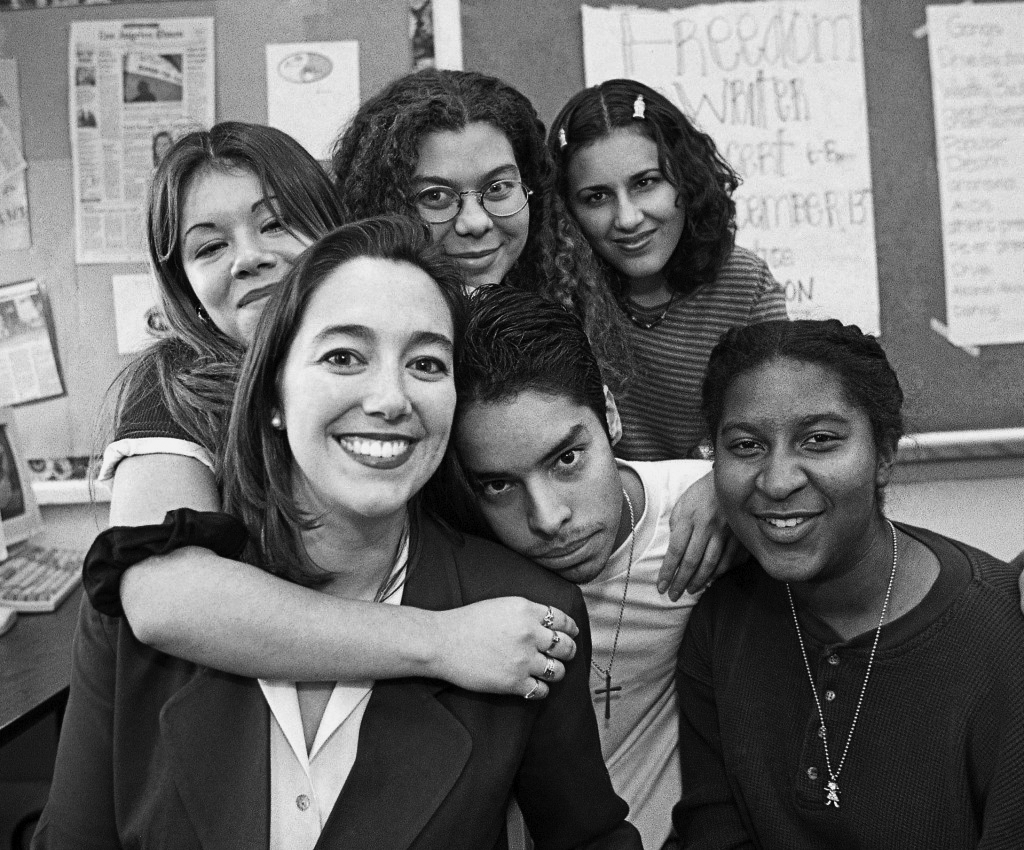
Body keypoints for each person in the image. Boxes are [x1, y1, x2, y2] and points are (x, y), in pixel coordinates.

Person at [35, 216, 642, 850]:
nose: (389, 398)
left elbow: (590, 838)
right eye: (344, 356)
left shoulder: (527, 617)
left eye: (427, 363)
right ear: (273, 393)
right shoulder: (141, 601)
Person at [99, 121, 578, 701]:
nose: (248, 258)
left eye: (275, 223)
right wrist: (442, 641)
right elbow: (167, 597)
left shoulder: (431, 337)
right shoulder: (172, 385)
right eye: (209, 246)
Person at [674, 319, 1024, 848]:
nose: (778, 480)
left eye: (819, 440)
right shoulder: (721, 622)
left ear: (884, 455)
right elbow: (713, 833)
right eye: (746, 446)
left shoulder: (1000, 635)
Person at [447, 286, 724, 850]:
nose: (548, 519)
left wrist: (740, 491)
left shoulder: (703, 521)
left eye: (567, 459)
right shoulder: (455, 569)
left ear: (611, 416)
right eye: (499, 484)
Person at [330, 67, 631, 392]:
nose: (475, 222)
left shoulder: (570, 315)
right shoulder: (345, 346)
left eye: (499, 186)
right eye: (435, 196)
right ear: (383, 209)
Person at [550, 79, 789, 461]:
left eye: (645, 183)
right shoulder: (556, 298)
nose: (627, 218)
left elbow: (777, 431)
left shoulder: (744, 285)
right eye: (597, 197)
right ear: (567, 211)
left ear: (686, 179)